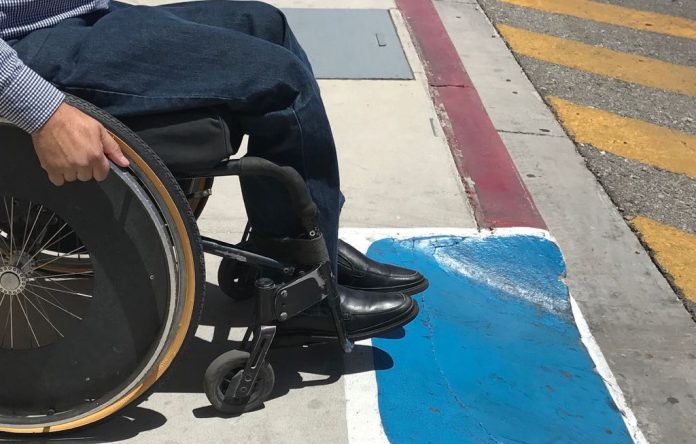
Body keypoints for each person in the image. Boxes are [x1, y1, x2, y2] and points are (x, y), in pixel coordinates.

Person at [0, 0, 427, 341]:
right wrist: (43, 110)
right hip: (23, 47)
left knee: (265, 24)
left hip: (69, 12)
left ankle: (300, 245)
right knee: (280, 80)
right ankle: (302, 297)